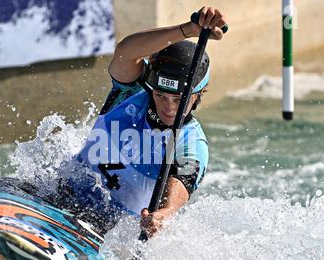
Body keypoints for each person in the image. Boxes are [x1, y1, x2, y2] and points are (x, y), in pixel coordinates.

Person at [56, 6, 228, 238]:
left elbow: (181, 184)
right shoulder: (130, 93)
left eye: (178, 99)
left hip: (109, 233)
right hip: (63, 198)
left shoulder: (192, 143)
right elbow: (125, 53)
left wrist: (164, 214)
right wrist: (189, 29)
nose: (168, 107)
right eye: (160, 96)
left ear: (198, 95)